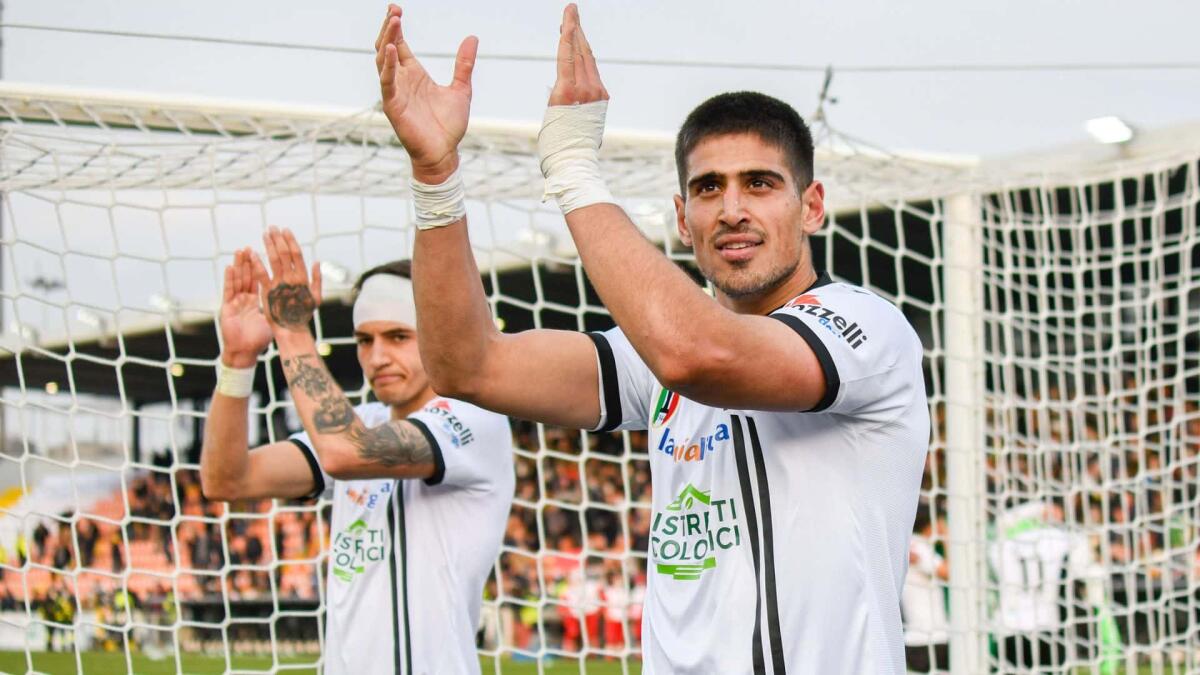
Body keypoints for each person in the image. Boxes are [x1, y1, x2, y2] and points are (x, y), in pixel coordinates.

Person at [374, 3, 929, 671]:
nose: (731, 210)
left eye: (759, 183)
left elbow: (701, 353)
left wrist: (574, 172)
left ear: (810, 206)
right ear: (681, 216)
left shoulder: (866, 327)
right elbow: (469, 365)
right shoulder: (654, 360)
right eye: (707, 188)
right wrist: (436, 177)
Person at [200, 239, 515, 674]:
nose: (377, 357)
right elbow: (227, 481)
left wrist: (291, 331)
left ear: (440, 333)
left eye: (399, 337)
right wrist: (237, 361)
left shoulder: (475, 417)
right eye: (365, 340)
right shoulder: (360, 421)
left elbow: (346, 452)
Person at [901, 501, 950, 672]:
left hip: (916, 638)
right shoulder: (919, 547)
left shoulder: (908, 545)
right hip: (930, 638)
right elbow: (951, 572)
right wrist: (947, 539)